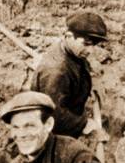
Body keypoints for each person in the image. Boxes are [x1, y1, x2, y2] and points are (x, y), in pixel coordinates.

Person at [31, 10, 108, 138]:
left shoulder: (71, 50)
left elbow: (83, 63)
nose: (91, 51)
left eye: (94, 45)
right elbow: (55, 116)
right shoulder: (56, 71)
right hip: (50, 131)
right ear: (69, 36)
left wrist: (92, 81)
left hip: (69, 110)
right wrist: (85, 123)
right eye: (87, 44)